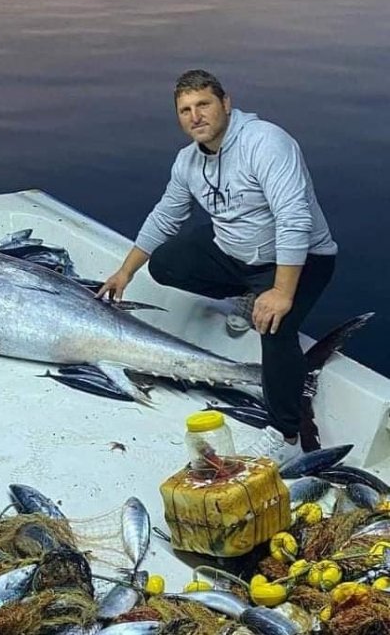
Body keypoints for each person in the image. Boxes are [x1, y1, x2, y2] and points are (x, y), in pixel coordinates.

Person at [97, 69, 337, 465]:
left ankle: (287, 433)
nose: (195, 117)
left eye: (203, 104)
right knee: (167, 264)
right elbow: (166, 215)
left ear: (226, 103)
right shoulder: (188, 161)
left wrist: (280, 293)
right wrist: (126, 271)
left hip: (299, 259)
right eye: (185, 110)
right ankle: (247, 294)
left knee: (274, 327)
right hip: (236, 254)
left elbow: (295, 218)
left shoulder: (266, 143)